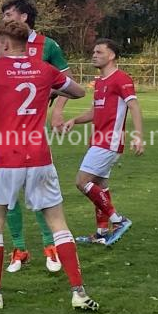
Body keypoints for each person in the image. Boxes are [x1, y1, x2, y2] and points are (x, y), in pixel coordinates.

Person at [0, 20, 98, 311]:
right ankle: (79, 293)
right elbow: (79, 92)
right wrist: (51, 92)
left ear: (5, 43)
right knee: (58, 223)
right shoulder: (44, 69)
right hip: (40, 156)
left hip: (5, 157)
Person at [0, 0, 74, 273]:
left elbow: (68, 82)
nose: (5, 19)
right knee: (8, 196)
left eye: (9, 14)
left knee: (40, 193)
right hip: (4, 131)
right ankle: (19, 247)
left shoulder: (48, 45)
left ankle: (50, 245)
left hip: (33, 132)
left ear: (24, 16)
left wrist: (56, 110)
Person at [63, 39, 143, 246]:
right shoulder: (99, 82)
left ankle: (119, 220)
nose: (94, 55)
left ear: (112, 55)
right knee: (100, 186)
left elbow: (134, 106)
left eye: (99, 52)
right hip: (99, 140)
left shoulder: (121, 78)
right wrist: (74, 120)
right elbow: (94, 112)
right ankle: (101, 233)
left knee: (82, 182)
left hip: (109, 141)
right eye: (94, 52)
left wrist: (138, 136)